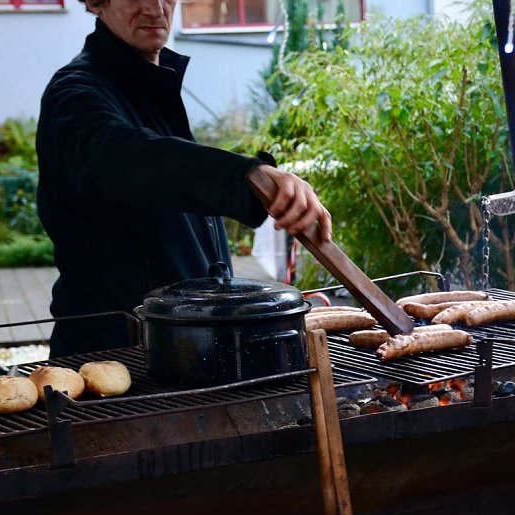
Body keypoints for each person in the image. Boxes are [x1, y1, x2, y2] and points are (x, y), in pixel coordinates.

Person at [36, 0, 331, 357]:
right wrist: (246, 175)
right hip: (112, 356)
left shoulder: (150, 87)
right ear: (98, 3)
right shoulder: (75, 94)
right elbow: (133, 160)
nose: (154, 7)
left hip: (180, 350)